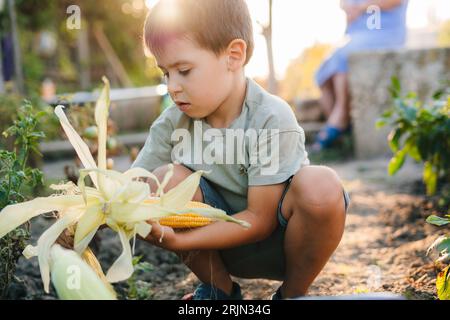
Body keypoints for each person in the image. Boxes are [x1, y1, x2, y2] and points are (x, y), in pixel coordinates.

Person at [133, 0, 350, 300]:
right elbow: (131, 188)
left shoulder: (270, 117)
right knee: (162, 182)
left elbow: (259, 221)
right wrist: (86, 216)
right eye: (165, 73)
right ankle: (219, 290)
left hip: (285, 242)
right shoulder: (172, 123)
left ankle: (293, 294)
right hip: (214, 249)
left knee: (321, 186)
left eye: (183, 70)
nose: (172, 86)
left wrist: (178, 242)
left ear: (233, 56)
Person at [313, 0, 409, 151]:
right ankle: (338, 124)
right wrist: (347, 7)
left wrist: (362, 7)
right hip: (355, 34)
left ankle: (341, 115)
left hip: (383, 32)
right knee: (322, 71)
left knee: (342, 56)